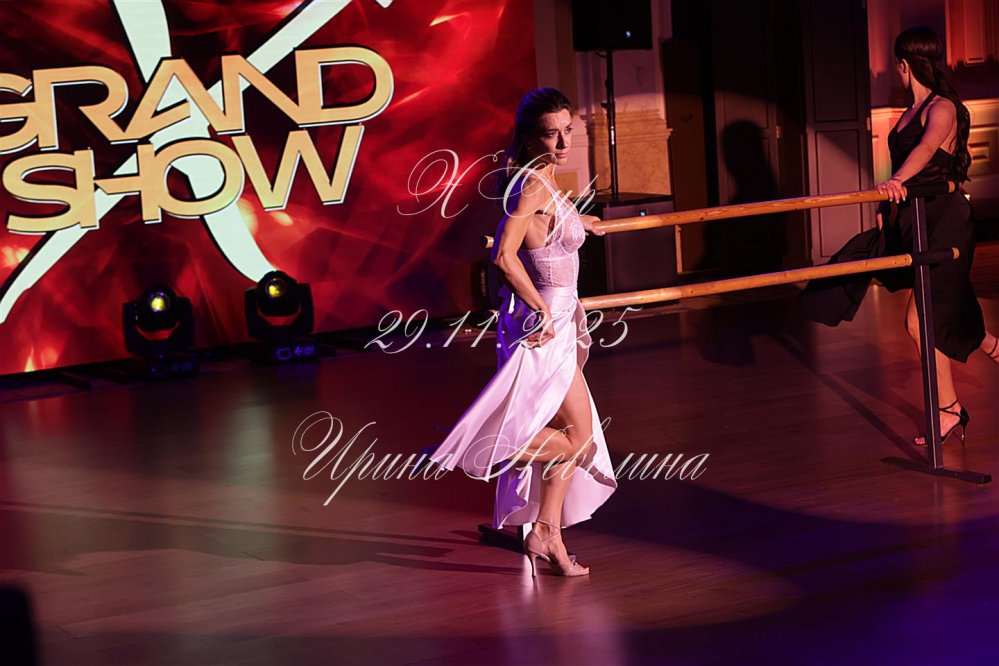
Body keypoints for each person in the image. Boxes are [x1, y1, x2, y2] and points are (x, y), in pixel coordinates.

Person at [430, 88, 617, 576]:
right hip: (546, 324)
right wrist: (540, 310)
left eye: (568, 131)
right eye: (551, 134)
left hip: (560, 318)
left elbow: (543, 233)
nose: (563, 143)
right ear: (531, 138)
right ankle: (489, 445)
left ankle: (546, 533)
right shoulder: (533, 183)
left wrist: (581, 222)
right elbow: (503, 255)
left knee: (577, 436)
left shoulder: (545, 181)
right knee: (578, 442)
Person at [801, 26, 998, 445]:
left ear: (904, 65)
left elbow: (925, 150)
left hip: (945, 222)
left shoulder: (942, 107)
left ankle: (948, 410)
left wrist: (895, 182)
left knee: (921, 320)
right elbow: (903, 160)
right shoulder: (909, 109)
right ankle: (989, 347)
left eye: (897, 65)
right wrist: (884, 204)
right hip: (913, 220)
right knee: (941, 303)